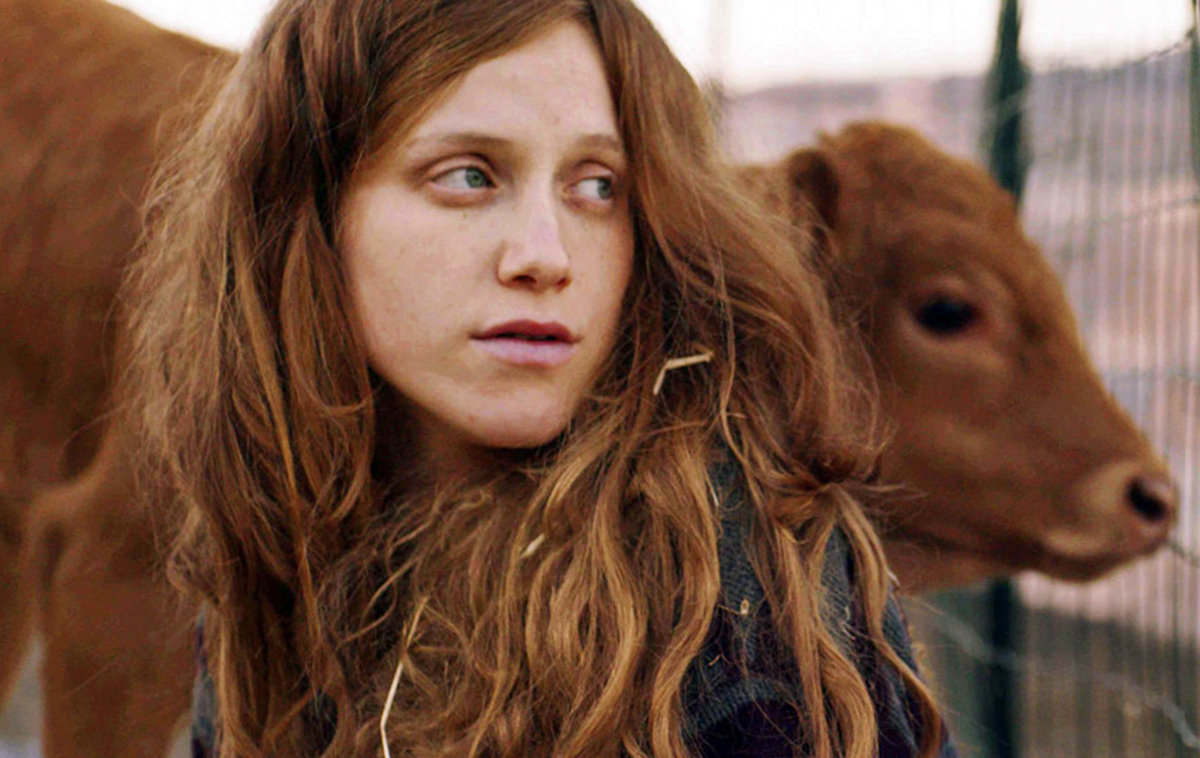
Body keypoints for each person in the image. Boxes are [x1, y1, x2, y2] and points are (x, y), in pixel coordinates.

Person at [121, 0, 956, 756]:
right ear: (305, 215)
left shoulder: (724, 600)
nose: (545, 256)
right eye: (469, 176)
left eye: (596, 187)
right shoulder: (281, 551)